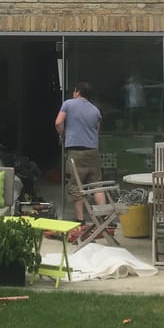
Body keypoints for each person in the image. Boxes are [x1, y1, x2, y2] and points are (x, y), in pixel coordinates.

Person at [55, 81, 107, 223]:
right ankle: (104, 218)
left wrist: (63, 135)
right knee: (96, 183)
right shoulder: (96, 110)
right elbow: (97, 131)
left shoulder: (69, 104)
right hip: (92, 151)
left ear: (77, 92)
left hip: (76, 151)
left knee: (74, 184)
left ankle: (79, 219)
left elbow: (58, 122)